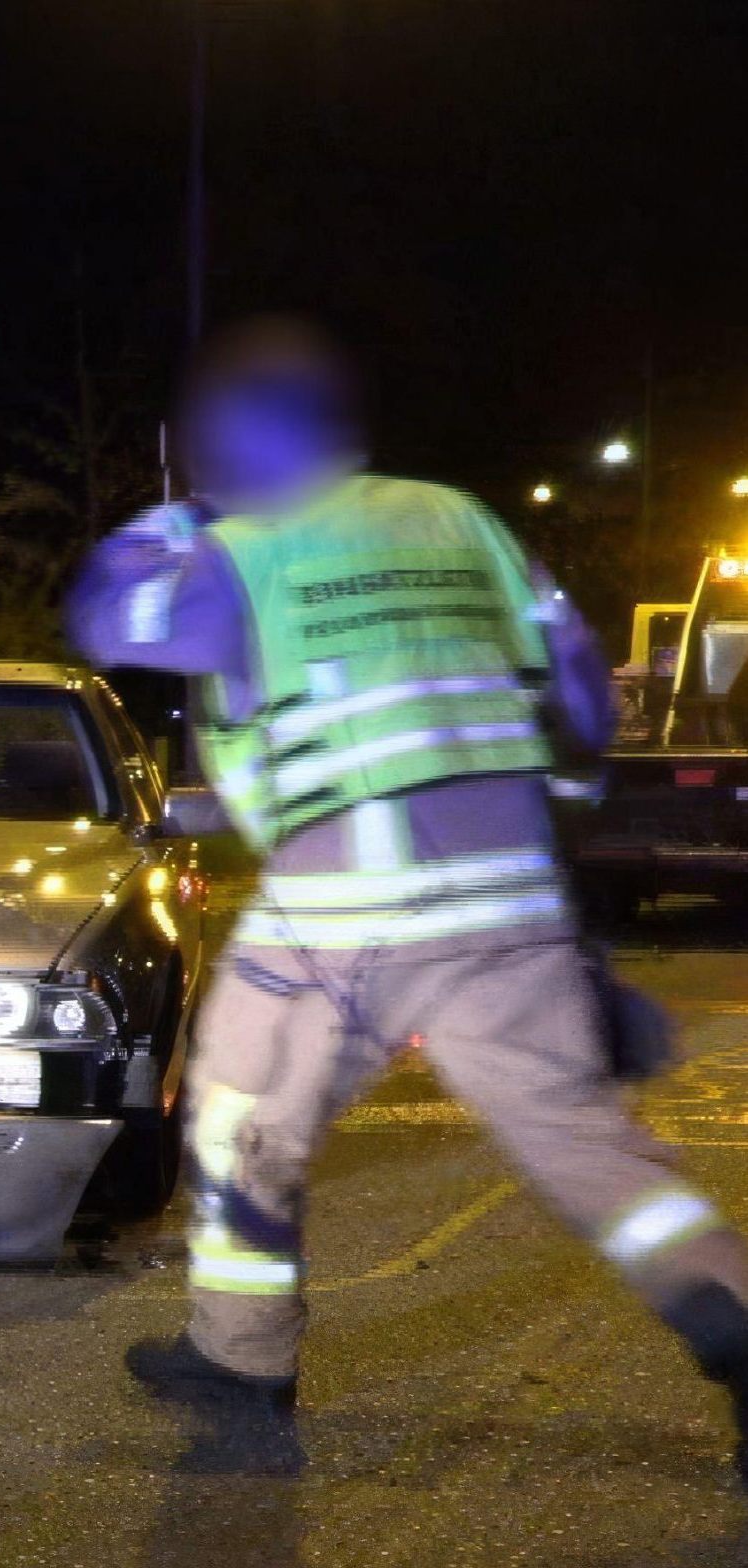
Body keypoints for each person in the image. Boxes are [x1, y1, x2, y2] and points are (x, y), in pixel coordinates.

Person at [65, 318, 748, 1476]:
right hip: (507, 890)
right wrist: (558, 816)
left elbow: (110, 618)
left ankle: (243, 1357)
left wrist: (176, 515)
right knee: (588, 1144)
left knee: (240, 1115)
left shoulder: (249, 544)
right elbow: (581, 690)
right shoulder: (460, 519)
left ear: (241, 439)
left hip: (346, 890)